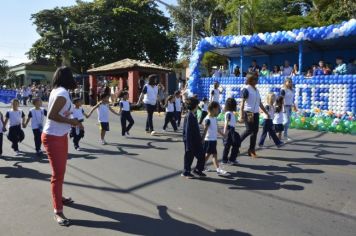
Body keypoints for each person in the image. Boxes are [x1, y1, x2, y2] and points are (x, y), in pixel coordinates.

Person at [42, 67, 80, 226]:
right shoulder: (62, 93)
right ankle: (58, 211)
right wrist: (72, 121)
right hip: (53, 137)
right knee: (57, 175)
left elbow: (60, 113)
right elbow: (51, 115)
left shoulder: (58, 90)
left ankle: (59, 197)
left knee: (60, 171)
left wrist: (72, 120)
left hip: (59, 135)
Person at [239, 72, 270, 158]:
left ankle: (251, 150)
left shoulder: (256, 90)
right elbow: (242, 103)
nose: (257, 80)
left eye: (257, 79)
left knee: (255, 132)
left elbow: (260, 103)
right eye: (255, 79)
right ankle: (236, 143)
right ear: (250, 80)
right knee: (249, 130)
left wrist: (266, 112)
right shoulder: (246, 89)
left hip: (255, 113)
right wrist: (241, 115)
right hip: (249, 112)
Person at [181, 97, 206, 178]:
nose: (198, 107)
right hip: (190, 140)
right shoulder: (189, 116)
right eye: (197, 105)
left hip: (196, 140)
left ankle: (198, 170)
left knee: (201, 155)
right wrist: (188, 144)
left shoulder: (193, 115)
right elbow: (187, 131)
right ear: (195, 106)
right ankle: (186, 171)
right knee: (189, 156)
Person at [202, 101, 227, 175]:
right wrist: (202, 139)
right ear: (213, 109)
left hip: (213, 139)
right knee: (211, 154)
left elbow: (217, 128)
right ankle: (218, 169)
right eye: (217, 109)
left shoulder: (214, 118)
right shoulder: (207, 119)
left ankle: (202, 165)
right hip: (209, 140)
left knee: (212, 154)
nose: (218, 111)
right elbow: (205, 130)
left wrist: (223, 134)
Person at [222, 98, 240, 165]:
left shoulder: (231, 113)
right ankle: (227, 159)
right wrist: (224, 133)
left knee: (232, 145)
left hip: (231, 130)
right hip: (229, 130)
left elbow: (234, 121)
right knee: (228, 145)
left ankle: (230, 159)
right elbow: (226, 122)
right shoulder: (229, 113)